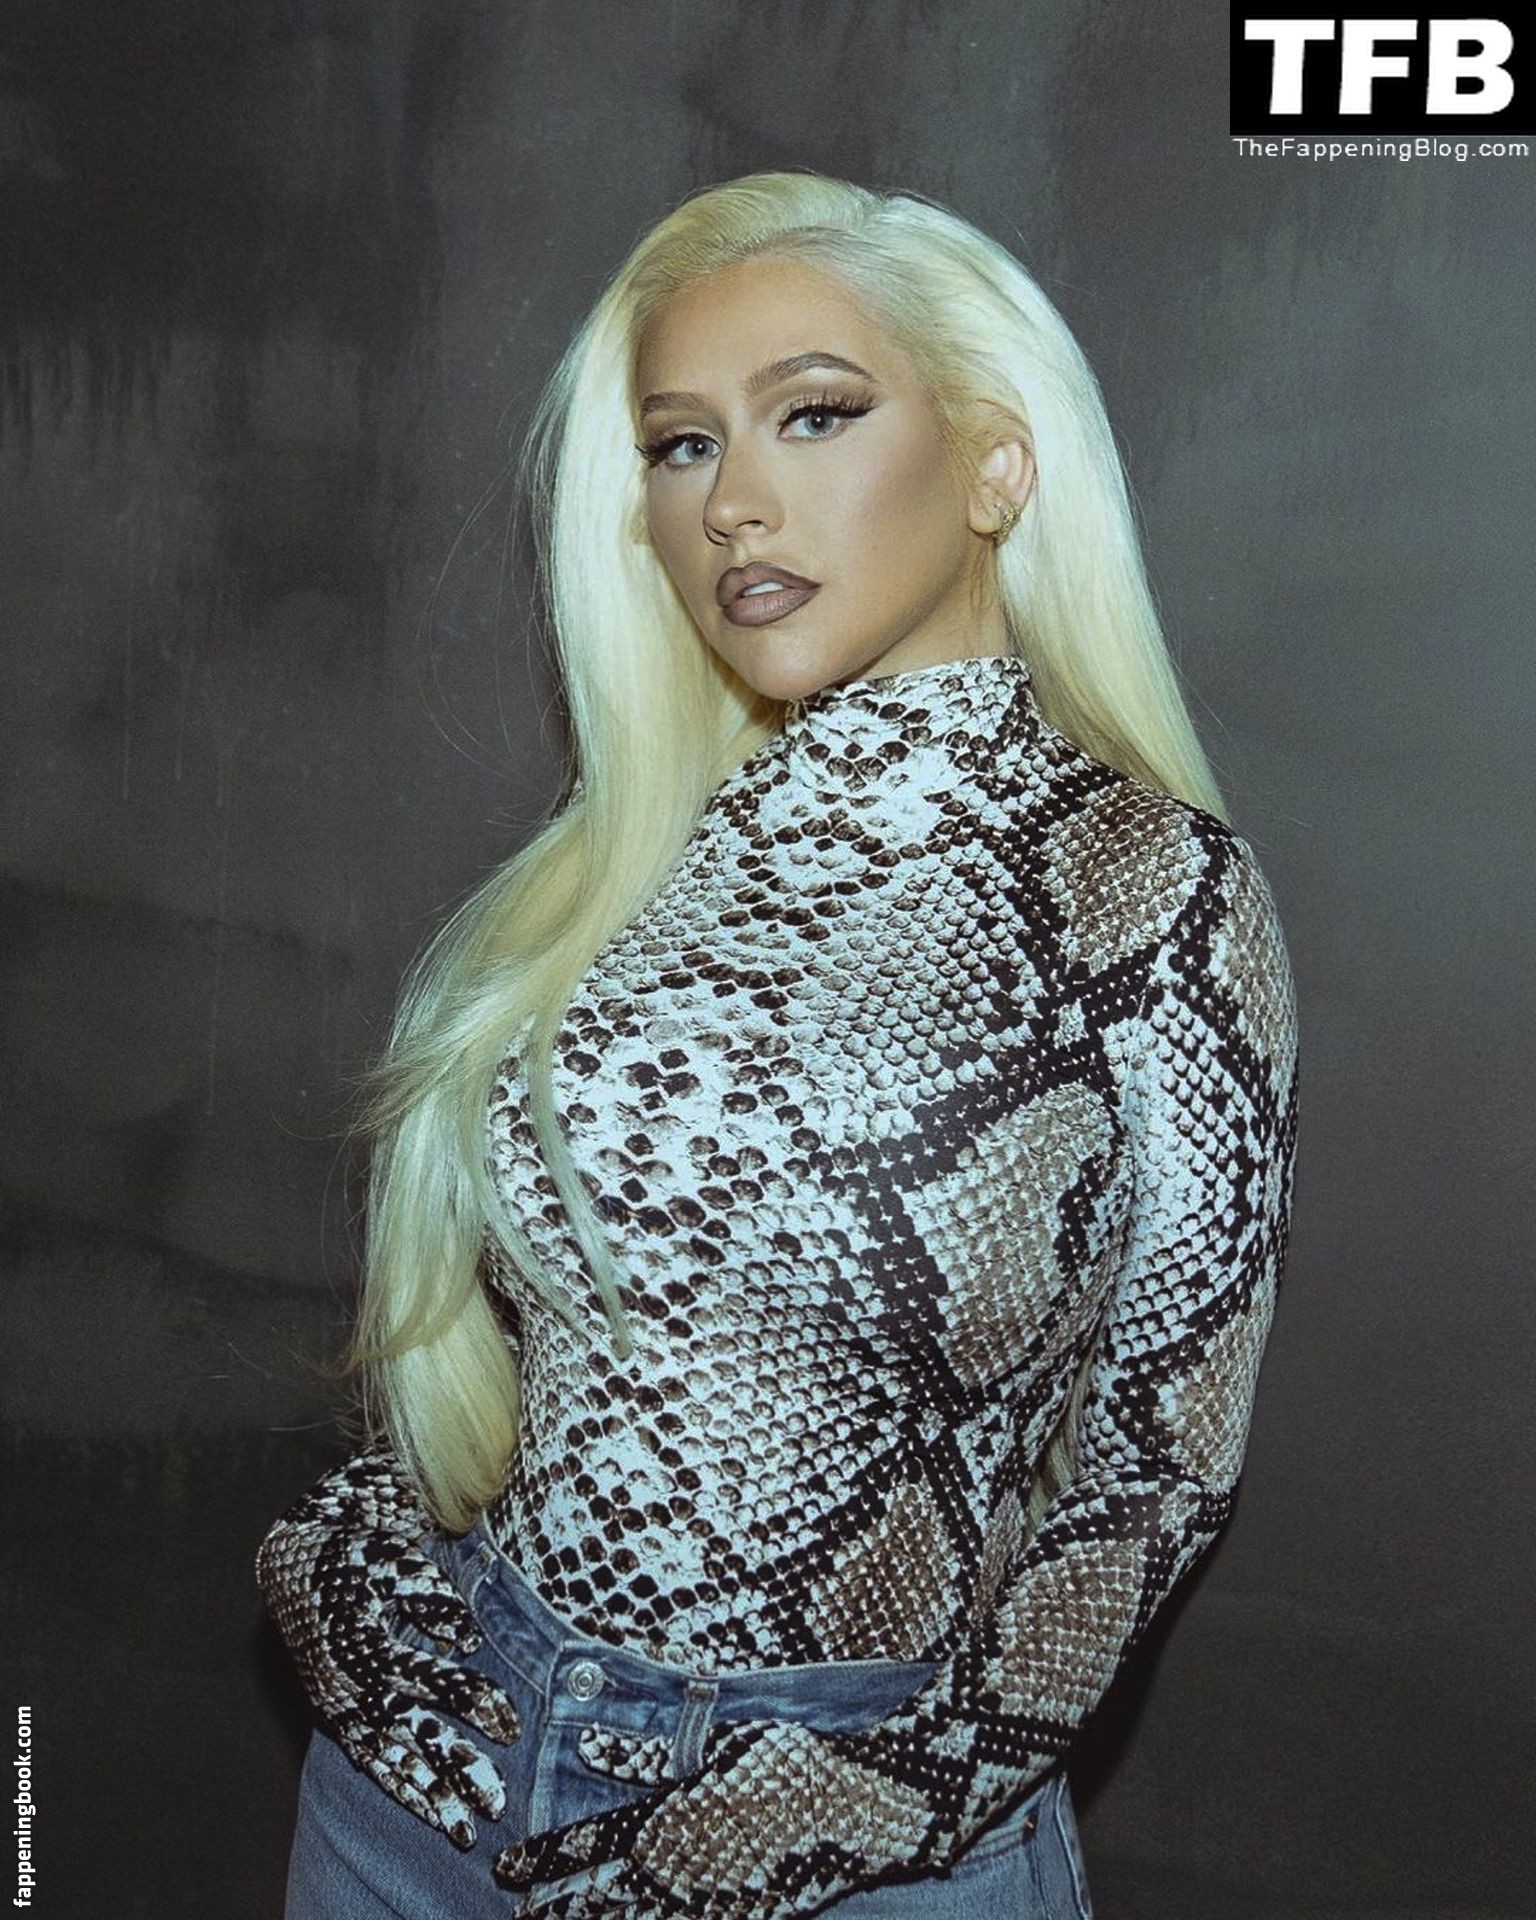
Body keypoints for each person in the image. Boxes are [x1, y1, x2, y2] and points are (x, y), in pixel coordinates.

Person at [256, 169, 1301, 1920]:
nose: (733, 501)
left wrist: (881, 1798)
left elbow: (1164, 1470)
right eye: (681, 446)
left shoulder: (1152, 890)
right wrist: (340, 1555)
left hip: (857, 1836)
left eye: (813, 414)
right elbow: (568, 1333)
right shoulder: (618, 861)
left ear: (996, 464)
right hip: (424, 1796)